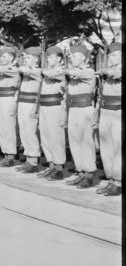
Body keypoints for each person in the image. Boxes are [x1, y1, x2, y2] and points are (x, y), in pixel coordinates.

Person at [64, 43, 97, 188]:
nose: (72, 57)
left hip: (85, 109)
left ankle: (89, 175)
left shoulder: (88, 71)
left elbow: (74, 74)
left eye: (75, 55)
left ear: (84, 57)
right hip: (73, 109)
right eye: (71, 55)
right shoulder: (72, 72)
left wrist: (68, 71)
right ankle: (80, 172)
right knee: (74, 142)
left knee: (86, 143)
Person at [94, 42, 121, 196]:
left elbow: (116, 74)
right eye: (110, 55)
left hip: (118, 112)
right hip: (105, 110)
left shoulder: (114, 72)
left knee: (118, 147)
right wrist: (97, 113)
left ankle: (118, 181)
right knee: (106, 148)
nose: (111, 58)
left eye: (115, 55)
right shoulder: (107, 74)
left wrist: (106, 71)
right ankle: (111, 179)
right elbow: (101, 94)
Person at [37, 46, 67, 181]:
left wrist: (43, 71)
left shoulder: (62, 71)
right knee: (45, 136)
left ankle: (59, 168)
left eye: (51, 57)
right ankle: (51, 165)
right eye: (48, 57)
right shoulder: (47, 71)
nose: (49, 60)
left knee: (56, 136)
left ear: (59, 58)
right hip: (44, 106)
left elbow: (52, 74)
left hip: (55, 106)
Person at [15, 47, 43, 173]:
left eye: (28, 58)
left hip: (31, 104)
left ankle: (33, 161)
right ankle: (28, 159)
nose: (25, 60)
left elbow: (22, 69)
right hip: (23, 103)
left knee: (30, 133)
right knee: (24, 132)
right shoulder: (27, 73)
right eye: (24, 58)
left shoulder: (37, 71)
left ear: (36, 60)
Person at [0, 47, 20, 168]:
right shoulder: (3, 72)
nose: (1, 59)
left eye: (4, 57)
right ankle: (6, 154)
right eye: (1, 57)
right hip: (1, 99)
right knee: (2, 127)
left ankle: (11, 156)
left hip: (10, 99)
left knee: (9, 128)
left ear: (11, 58)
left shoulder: (13, 69)